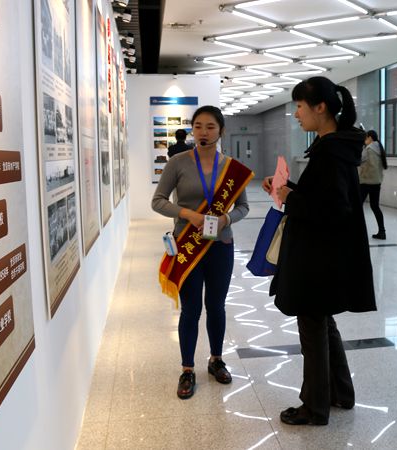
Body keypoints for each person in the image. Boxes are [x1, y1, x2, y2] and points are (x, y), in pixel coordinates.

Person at [262, 77, 376, 425]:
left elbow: (333, 209)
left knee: (313, 331)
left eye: (300, 106)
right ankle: (341, 393)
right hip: (326, 256)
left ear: (320, 107)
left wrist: (290, 198)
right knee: (323, 324)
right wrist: (288, 189)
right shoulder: (335, 147)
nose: (296, 113)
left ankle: (314, 407)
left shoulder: (330, 151)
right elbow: (326, 198)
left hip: (317, 259)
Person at [152, 105, 254, 400]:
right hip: (187, 245)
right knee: (191, 309)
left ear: (221, 131)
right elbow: (158, 201)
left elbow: (244, 207)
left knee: (217, 306)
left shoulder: (233, 168)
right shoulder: (178, 162)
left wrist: (226, 219)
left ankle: (216, 360)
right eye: (198, 126)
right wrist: (189, 214)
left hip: (221, 246)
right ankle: (187, 369)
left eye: (210, 127)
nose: (203, 132)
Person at [359, 130, 387, 240]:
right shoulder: (379, 149)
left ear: (370, 138)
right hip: (376, 182)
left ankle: (356, 232)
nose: (364, 140)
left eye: (365, 138)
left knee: (357, 206)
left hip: (366, 182)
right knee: (375, 206)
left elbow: (358, 160)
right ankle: (382, 232)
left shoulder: (369, 149)